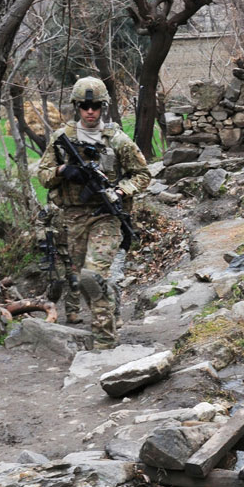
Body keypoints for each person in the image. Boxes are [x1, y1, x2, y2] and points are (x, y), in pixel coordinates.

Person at [38, 77, 150, 348]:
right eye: (85, 106)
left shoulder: (117, 140)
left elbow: (143, 175)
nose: (90, 111)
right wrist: (63, 171)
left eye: (96, 106)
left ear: (103, 107)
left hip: (106, 216)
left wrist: (120, 191)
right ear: (77, 107)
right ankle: (107, 318)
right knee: (81, 279)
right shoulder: (62, 139)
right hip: (73, 217)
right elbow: (42, 175)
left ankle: (104, 341)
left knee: (92, 275)